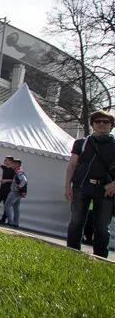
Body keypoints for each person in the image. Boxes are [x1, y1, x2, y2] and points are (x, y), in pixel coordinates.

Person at [65, 110, 115, 258]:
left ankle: (100, 258)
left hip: (105, 189)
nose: (101, 124)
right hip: (82, 186)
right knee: (76, 221)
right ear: (92, 124)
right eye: (97, 121)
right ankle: (71, 254)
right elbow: (72, 165)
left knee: (101, 227)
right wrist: (68, 186)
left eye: (105, 122)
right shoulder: (81, 142)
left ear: (111, 125)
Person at [4, 159, 27, 227]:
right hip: (18, 193)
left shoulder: (19, 172)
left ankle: (10, 222)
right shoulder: (20, 171)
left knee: (7, 206)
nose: (12, 165)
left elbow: (24, 180)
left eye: (13, 164)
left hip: (14, 192)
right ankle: (16, 223)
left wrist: (18, 187)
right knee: (16, 208)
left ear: (17, 164)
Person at [0, 156, 15, 223]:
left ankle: (3, 219)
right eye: (5, 160)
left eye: (6, 160)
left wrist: (7, 180)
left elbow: (15, 180)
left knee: (6, 205)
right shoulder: (5, 168)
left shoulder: (13, 170)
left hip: (8, 190)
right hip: (2, 188)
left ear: (10, 161)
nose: (5, 161)